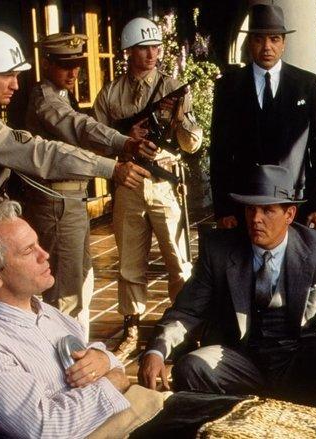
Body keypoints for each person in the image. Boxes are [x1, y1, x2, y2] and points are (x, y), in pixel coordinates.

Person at [139, 165, 316, 416]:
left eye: (267, 210)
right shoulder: (219, 250)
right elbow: (186, 311)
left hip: (299, 356)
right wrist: (157, 350)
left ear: (289, 214)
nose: (255, 219)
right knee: (190, 368)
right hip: (241, 358)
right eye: (250, 209)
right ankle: (220, 432)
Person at [0, 201, 133, 437]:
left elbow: (101, 362)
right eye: (28, 251)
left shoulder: (48, 314)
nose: (44, 255)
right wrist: (113, 382)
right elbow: (45, 429)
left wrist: (104, 360)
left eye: (37, 243)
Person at [20, 32, 158, 335]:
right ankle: (66, 353)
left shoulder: (61, 95)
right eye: (64, 65)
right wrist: (123, 142)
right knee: (66, 291)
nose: (73, 73)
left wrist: (123, 139)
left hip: (70, 199)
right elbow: (79, 127)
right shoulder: (46, 100)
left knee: (80, 280)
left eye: (77, 64)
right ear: (47, 63)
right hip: (57, 202)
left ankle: (76, 346)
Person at [93, 17, 203, 358]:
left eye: (156, 47)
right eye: (143, 48)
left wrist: (180, 119)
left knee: (178, 261)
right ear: (129, 51)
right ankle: (131, 328)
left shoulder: (173, 87)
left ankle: (183, 328)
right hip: (128, 182)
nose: (152, 54)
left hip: (165, 182)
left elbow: (192, 144)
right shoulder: (111, 94)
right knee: (129, 262)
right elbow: (95, 141)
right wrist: (125, 139)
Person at [0, 29, 148, 208]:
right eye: (7, 75)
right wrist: (111, 167)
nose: (15, 85)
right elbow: (39, 152)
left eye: (16, 76)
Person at [210, 4, 316, 229]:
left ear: (284, 43)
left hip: (294, 204)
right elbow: (219, 153)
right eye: (259, 39)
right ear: (250, 43)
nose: (267, 47)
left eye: (274, 39)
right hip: (245, 206)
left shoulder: (307, 85)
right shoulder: (228, 87)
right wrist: (223, 210)